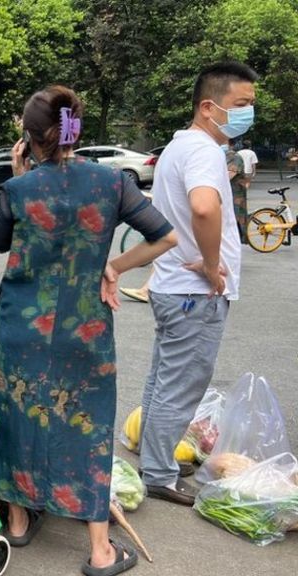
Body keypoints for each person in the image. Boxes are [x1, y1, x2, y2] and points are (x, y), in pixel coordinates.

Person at [0, 86, 176, 576]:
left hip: (20, 327)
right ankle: (99, 550)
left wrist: (19, 178)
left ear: (30, 138)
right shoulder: (111, 183)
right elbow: (166, 236)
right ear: (76, 128)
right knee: (88, 423)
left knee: (18, 414)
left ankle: (19, 521)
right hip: (85, 328)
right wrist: (114, 267)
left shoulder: (18, 189)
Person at [138, 61, 256, 506]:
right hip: (194, 293)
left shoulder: (178, 147)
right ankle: (159, 472)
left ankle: (155, 461)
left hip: (173, 288)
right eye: (241, 105)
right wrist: (211, 266)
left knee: (163, 380)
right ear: (209, 107)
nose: (248, 114)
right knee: (181, 383)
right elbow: (204, 208)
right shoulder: (205, 151)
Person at [226, 140, 248, 243]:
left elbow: (230, 174)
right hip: (227, 193)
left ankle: (240, 237)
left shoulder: (234, 157)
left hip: (235, 193)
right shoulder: (220, 155)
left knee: (237, 215)